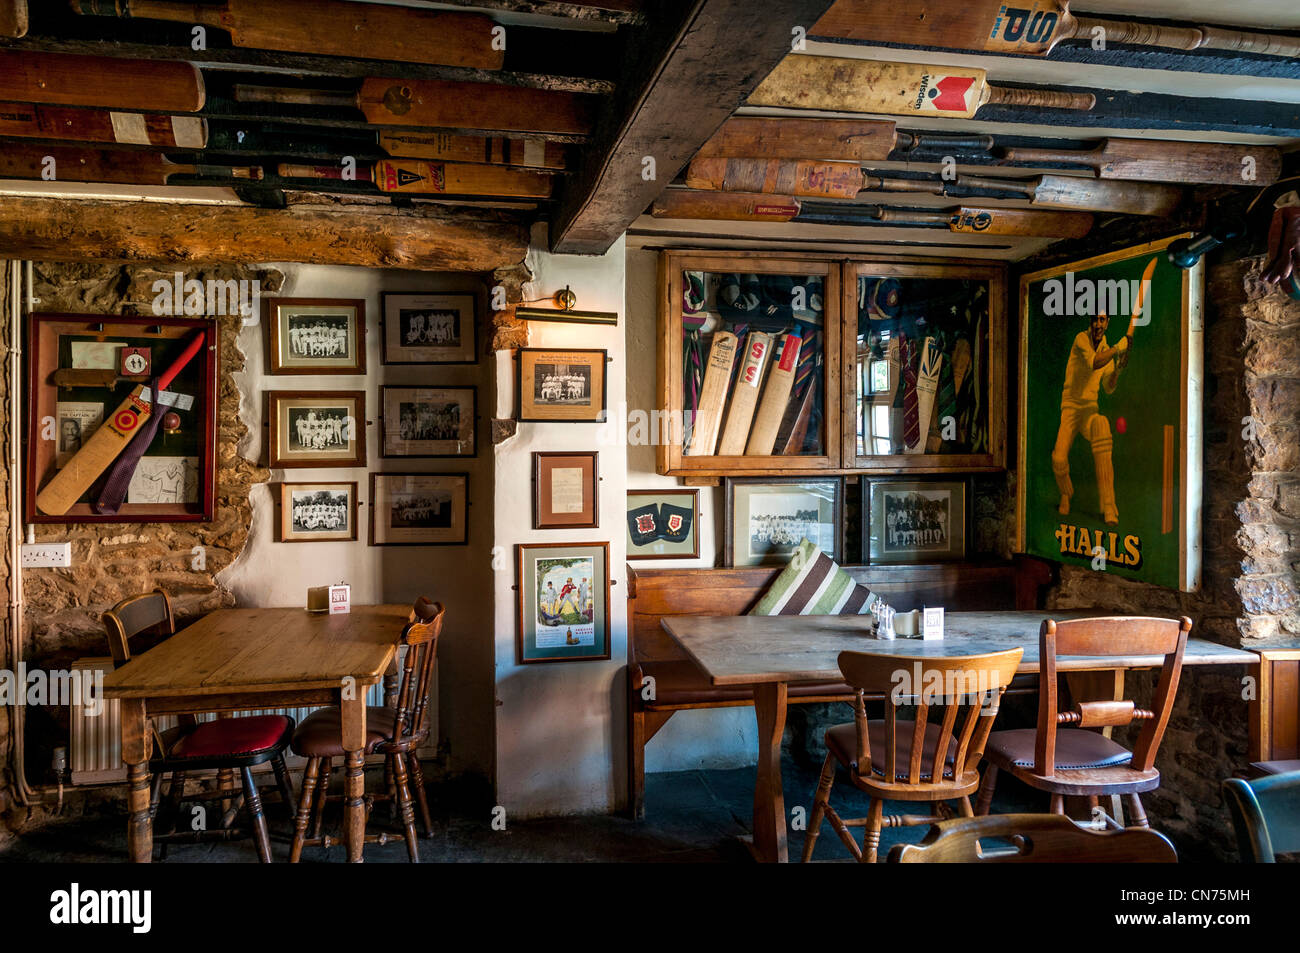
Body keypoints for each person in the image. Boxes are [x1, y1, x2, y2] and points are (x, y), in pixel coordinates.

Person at [1051, 309, 1131, 525]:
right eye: (1094, 319)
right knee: (1058, 459)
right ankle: (1066, 493)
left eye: (1102, 320)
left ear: (1107, 322)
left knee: (1102, 425)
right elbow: (1094, 362)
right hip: (1070, 408)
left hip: (1089, 410)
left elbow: (1108, 387)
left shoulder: (1106, 349)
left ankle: (1108, 506)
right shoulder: (1081, 339)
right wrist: (1118, 348)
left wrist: (1118, 371)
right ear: (1090, 321)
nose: (1097, 324)